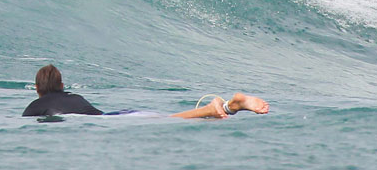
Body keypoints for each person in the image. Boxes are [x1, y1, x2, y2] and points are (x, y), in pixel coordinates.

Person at [21, 65, 269, 120]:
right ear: (63, 86)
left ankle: (216, 108)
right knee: (169, 117)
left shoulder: (34, 108)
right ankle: (228, 107)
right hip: (121, 114)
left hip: (117, 121)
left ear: (37, 89)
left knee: (172, 120)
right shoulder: (74, 98)